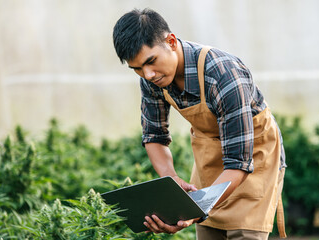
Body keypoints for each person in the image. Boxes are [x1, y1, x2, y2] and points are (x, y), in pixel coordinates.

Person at [112, 8, 287, 240]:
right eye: (137, 69)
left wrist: (195, 210)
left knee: (245, 234)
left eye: (151, 62)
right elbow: (154, 136)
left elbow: (239, 162)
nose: (148, 74)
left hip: (253, 158)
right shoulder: (152, 79)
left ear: (171, 41)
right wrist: (171, 182)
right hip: (210, 160)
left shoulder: (223, 74)